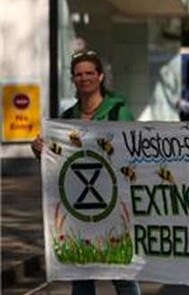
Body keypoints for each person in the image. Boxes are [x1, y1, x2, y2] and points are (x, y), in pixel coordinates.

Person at [32, 50, 140, 295]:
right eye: (78, 74)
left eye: (89, 73)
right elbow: (59, 157)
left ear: (100, 76)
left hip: (113, 204)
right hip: (78, 207)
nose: (84, 78)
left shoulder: (118, 112)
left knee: (121, 273)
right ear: (73, 79)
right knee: (80, 274)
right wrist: (41, 150)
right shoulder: (67, 118)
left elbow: (134, 150)